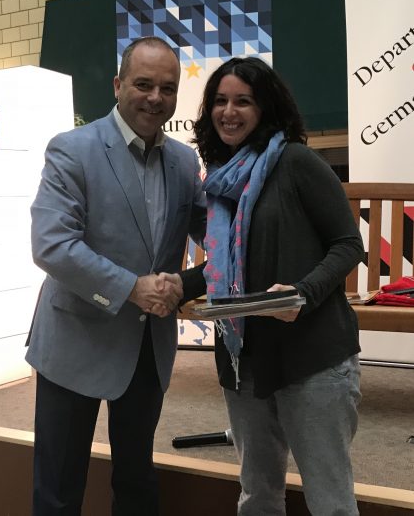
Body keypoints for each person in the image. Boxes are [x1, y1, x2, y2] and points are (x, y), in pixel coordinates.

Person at [25, 36, 206, 516]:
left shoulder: (185, 162)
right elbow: (52, 244)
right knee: (58, 489)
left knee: (136, 480)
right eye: (143, 84)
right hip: (74, 341)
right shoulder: (72, 149)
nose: (155, 98)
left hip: (146, 347)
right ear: (117, 85)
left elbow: (220, 236)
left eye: (167, 88)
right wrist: (131, 287)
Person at [187, 56, 364, 515]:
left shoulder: (296, 161)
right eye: (220, 101)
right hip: (243, 362)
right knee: (258, 496)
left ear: (266, 107)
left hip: (312, 358)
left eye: (243, 101)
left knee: (330, 502)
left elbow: (348, 244)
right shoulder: (219, 180)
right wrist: (175, 285)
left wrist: (302, 292)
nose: (229, 112)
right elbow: (225, 268)